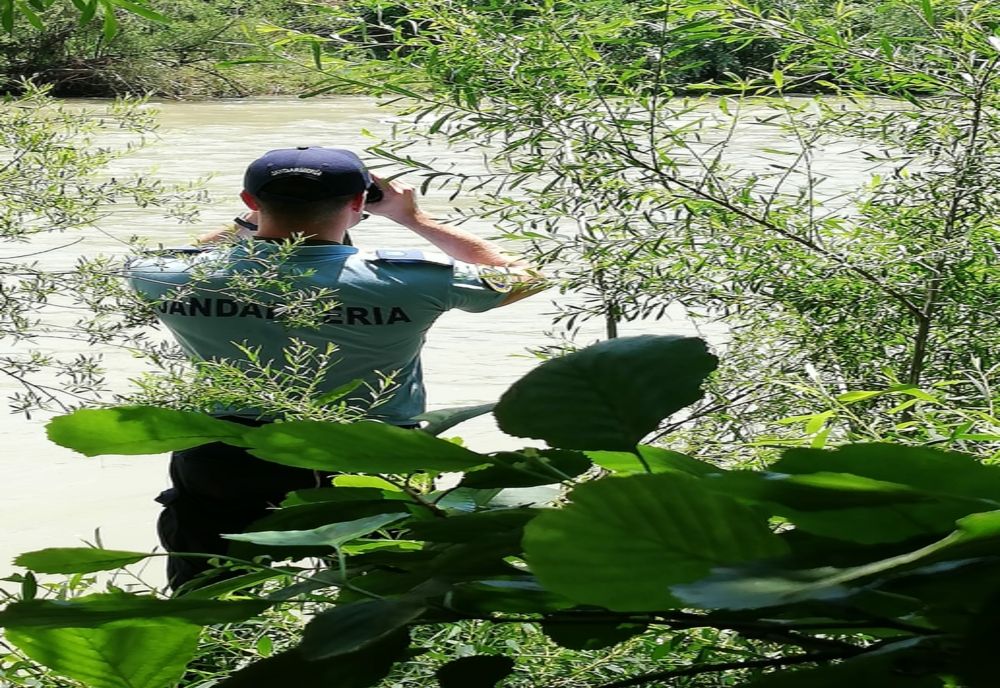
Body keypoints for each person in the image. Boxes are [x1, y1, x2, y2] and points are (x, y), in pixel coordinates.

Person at [126, 146, 545, 589]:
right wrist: (412, 218)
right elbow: (526, 278)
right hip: (367, 451)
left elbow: (172, 259)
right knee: (383, 588)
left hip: (228, 451)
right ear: (359, 204)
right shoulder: (411, 278)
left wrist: (249, 226)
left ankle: (212, 650)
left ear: (250, 202)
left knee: (208, 583)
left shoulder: (169, 276)